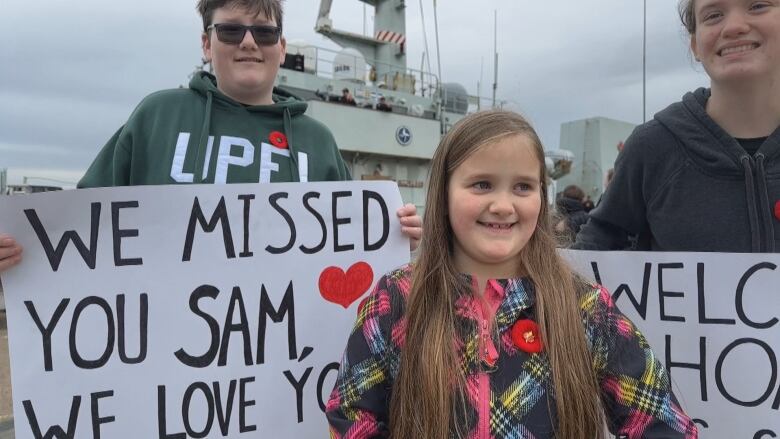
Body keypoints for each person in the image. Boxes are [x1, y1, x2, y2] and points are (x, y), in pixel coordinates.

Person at [326, 110, 697, 438]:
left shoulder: (585, 306)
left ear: (541, 195)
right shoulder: (398, 298)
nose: (503, 206)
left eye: (522, 186)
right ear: (444, 192)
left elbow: (661, 422)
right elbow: (352, 416)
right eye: (482, 184)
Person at [0, 0, 421, 275]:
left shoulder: (318, 142)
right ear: (206, 43)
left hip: (280, 373)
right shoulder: (157, 117)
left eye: (265, 32)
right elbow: (78, 227)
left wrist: (393, 236)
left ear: (281, 46)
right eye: (231, 31)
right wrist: (21, 249)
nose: (250, 43)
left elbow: (350, 254)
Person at [575, 0, 780, 252]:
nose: (734, 26)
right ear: (695, 44)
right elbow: (597, 248)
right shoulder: (652, 147)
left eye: (758, 5)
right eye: (713, 15)